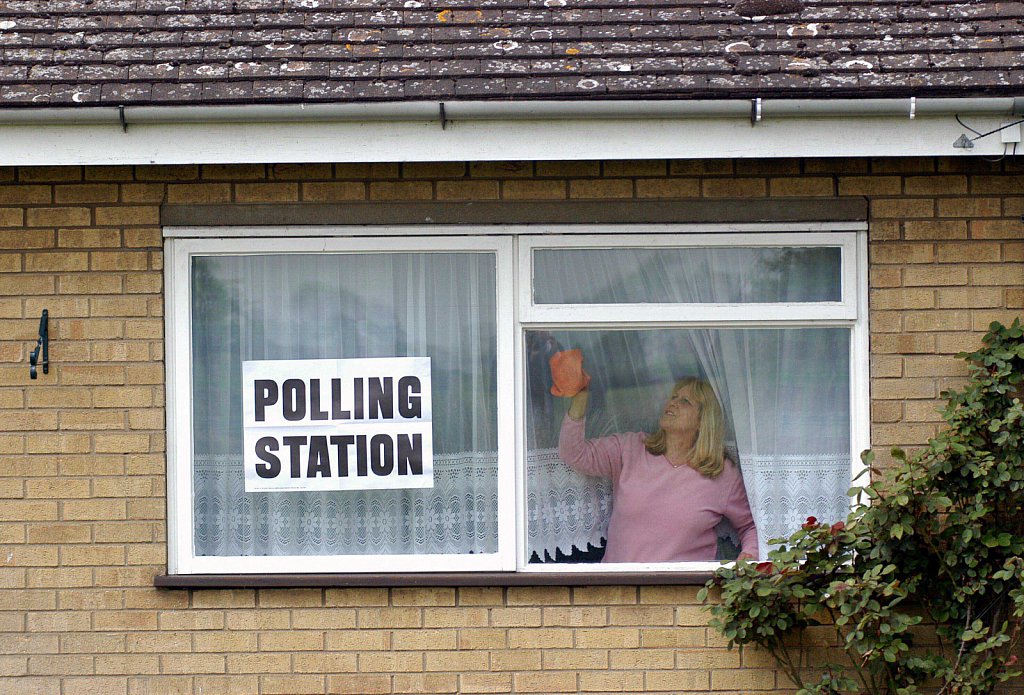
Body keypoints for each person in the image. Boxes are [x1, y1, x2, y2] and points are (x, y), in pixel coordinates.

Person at [552, 350, 758, 563]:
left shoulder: (722, 474)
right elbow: (573, 453)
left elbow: (749, 527)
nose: (673, 403)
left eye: (685, 401)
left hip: (684, 591)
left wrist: (746, 562)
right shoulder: (631, 448)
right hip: (618, 589)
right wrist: (581, 397)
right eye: (674, 397)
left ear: (703, 421)